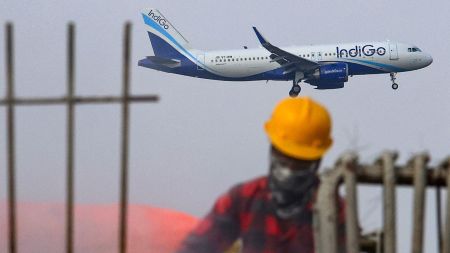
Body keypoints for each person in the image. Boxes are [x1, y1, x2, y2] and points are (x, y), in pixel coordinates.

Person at [177, 97, 346, 253]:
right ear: (272, 151)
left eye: (300, 162)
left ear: (318, 160)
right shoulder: (243, 199)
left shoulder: (336, 210)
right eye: (284, 159)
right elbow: (196, 248)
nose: (289, 170)